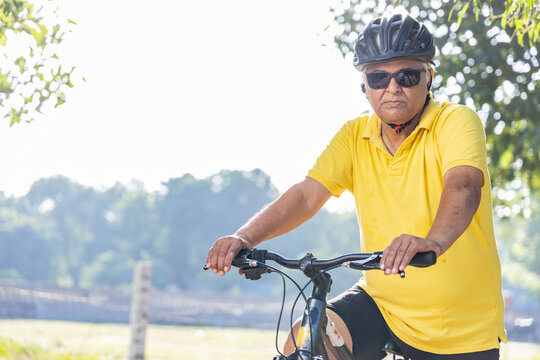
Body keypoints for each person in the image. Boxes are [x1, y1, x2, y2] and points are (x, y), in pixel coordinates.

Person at [205, 12, 506, 360]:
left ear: (430, 78)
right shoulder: (354, 136)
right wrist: (244, 238)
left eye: (407, 76)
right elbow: (306, 195)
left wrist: (432, 242)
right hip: (382, 307)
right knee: (306, 338)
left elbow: (464, 186)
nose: (392, 87)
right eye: (378, 77)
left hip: (460, 328)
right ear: (365, 86)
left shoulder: (455, 121)